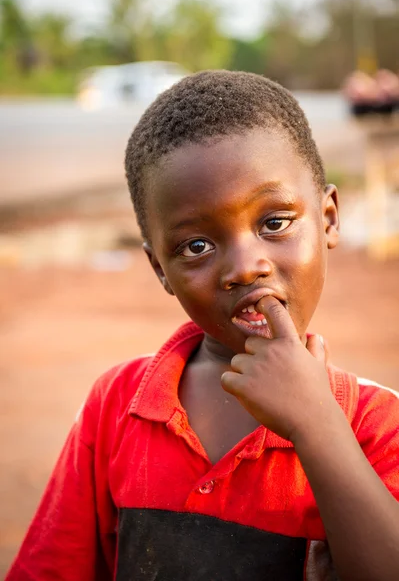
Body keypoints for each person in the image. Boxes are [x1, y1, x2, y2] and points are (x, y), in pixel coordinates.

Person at [6, 71, 399, 580]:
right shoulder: (117, 407)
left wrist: (317, 424)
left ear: (327, 219)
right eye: (197, 246)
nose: (244, 267)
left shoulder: (373, 423)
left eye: (274, 222)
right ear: (159, 270)